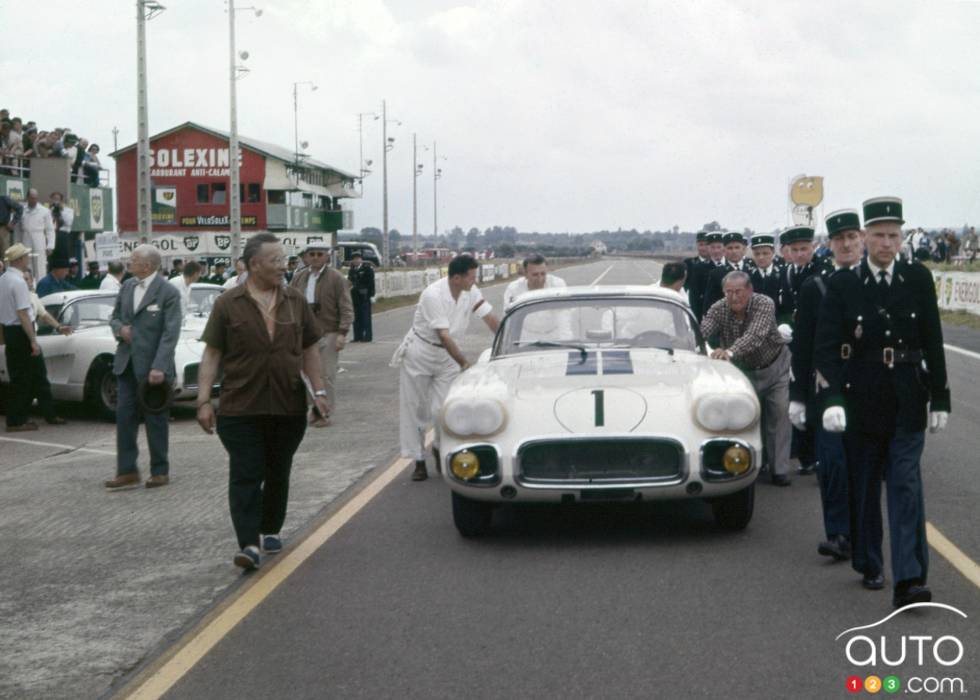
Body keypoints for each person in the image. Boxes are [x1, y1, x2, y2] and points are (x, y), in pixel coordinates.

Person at [815, 197, 949, 608]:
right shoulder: (844, 285)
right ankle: (870, 561)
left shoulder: (917, 279)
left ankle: (909, 580)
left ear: (902, 236)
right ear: (865, 237)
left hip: (908, 396)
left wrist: (940, 397)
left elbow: (932, 338)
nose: (886, 244)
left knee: (906, 487)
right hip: (861, 397)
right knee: (865, 485)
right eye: (878, 236)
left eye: (894, 236)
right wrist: (832, 399)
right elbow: (826, 346)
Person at [195, 233, 328, 571]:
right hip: (240, 405)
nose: (283, 266)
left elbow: (310, 349)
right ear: (254, 265)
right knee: (246, 472)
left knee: (278, 470)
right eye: (275, 261)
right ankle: (248, 543)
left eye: (284, 260)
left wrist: (320, 392)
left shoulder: (295, 301)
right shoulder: (228, 303)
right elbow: (212, 353)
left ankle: (270, 527)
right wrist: (203, 401)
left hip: (287, 404)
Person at [788, 209, 864, 562]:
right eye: (839, 239)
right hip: (826, 385)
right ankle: (839, 534)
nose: (846, 244)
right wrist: (798, 397)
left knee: (863, 466)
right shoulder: (815, 287)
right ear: (829, 245)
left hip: (868, 386)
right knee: (831, 464)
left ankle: (863, 536)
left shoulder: (876, 283)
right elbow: (803, 346)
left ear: (861, 239)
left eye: (852, 237)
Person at [393, 255, 500, 481]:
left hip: (447, 357)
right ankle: (418, 460)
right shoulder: (433, 295)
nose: (475, 280)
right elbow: (443, 336)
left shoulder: (471, 292)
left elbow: (489, 318)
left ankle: (440, 448)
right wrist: (464, 363)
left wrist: (505, 342)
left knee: (443, 408)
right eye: (472, 276)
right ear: (457, 278)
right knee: (416, 409)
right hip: (420, 352)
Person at [701, 270, 792, 486]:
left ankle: (780, 470)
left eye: (739, 292)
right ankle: (745, 465)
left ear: (750, 290)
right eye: (729, 292)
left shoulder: (764, 304)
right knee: (743, 417)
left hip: (774, 366)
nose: (734, 297)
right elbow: (702, 330)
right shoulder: (718, 308)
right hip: (743, 372)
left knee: (779, 414)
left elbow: (756, 335)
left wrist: (729, 352)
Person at [103, 245, 182, 490]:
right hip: (126, 365)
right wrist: (120, 329)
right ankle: (127, 470)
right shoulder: (126, 286)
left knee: (155, 419)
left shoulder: (168, 292)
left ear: (148, 265)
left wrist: (159, 366)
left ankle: (160, 470)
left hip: (153, 368)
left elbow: (171, 333)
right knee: (124, 417)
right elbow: (114, 316)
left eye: (134, 259)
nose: (129, 262)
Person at [289, 242, 353, 427]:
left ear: (327, 256)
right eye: (312, 254)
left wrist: (342, 333)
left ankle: (325, 412)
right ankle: (314, 408)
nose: (315, 257)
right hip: (305, 334)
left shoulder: (336, 278)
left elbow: (346, 307)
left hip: (329, 331)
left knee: (326, 374)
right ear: (306, 257)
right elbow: (290, 302)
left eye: (319, 254)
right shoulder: (299, 277)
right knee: (306, 374)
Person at [1, 244, 45, 431]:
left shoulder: (3, 279)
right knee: (24, 378)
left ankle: (16, 417)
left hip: (9, 330)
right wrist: (33, 340)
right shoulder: (18, 282)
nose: (28, 259)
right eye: (26, 256)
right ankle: (17, 419)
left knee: (17, 376)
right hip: (20, 331)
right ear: (19, 259)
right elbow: (23, 313)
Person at [22, 268, 72, 424]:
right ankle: (20, 417)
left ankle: (49, 415)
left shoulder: (33, 297)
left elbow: (44, 314)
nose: (25, 282)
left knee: (40, 379)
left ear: (32, 281)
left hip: (32, 340)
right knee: (24, 380)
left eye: (27, 279)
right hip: (19, 339)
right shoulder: (12, 297)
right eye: (22, 279)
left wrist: (58, 327)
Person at [702, 232, 755, 313]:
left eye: (737, 247)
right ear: (724, 250)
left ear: (743, 249)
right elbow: (709, 304)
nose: (734, 251)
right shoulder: (716, 273)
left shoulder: (753, 269)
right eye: (730, 248)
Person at [15, 189, 54, 279]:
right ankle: (29, 285)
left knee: (40, 263)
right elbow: (17, 229)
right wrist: (17, 244)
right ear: (27, 198)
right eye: (32, 198)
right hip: (25, 237)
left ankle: (41, 285)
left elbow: (50, 229)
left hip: (39, 237)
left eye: (36, 198)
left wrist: (50, 246)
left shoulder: (44, 211)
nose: (34, 201)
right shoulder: (21, 210)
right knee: (26, 262)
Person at [688, 231, 725, 321]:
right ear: (708, 248)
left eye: (719, 247)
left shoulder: (732, 267)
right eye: (712, 247)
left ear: (724, 247)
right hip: (709, 318)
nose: (716, 251)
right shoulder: (699, 268)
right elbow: (694, 298)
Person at [348, 251, 375, 342]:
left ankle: (367, 336)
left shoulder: (367, 269)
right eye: (354, 259)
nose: (356, 260)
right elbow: (350, 282)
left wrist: (371, 294)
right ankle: (357, 336)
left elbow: (371, 283)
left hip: (364, 297)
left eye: (358, 258)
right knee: (356, 317)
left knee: (365, 317)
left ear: (361, 259)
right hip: (354, 297)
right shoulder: (352, 270)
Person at [682, 231, 709, 296]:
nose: (704, 248)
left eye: (706, 245)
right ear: (697, 245)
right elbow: (683, 285)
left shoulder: (717, 264)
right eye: (701, 245)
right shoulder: (688, 264)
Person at [0, 194, 23, 260]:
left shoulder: (4, 199)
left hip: (3, 229)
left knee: (5, 255)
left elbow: (19, 208)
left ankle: (7, 270)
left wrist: (12, 222)